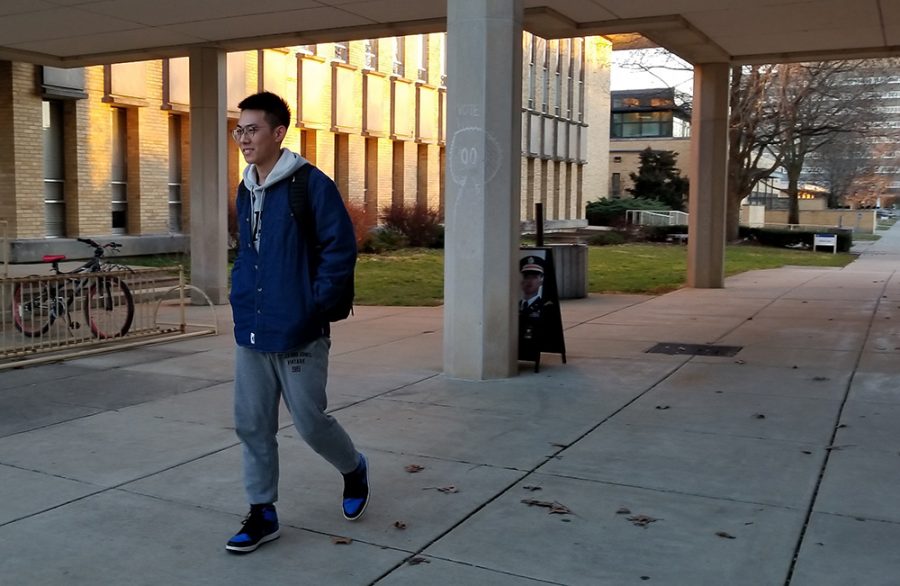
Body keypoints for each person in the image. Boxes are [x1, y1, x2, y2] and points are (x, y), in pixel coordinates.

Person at [226, 91, 368, 554]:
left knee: (310, 421)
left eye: (252, 129)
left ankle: (353, 468)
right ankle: (262, 511)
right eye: (239, 130)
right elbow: (248, 252)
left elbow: (339, 250)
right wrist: (240, 293)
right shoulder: (246, 187)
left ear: (278, 133)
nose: (243, 139)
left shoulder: (310, 184)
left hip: (299, 329)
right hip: (253, 327)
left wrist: (314, 307)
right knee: (252, 424)